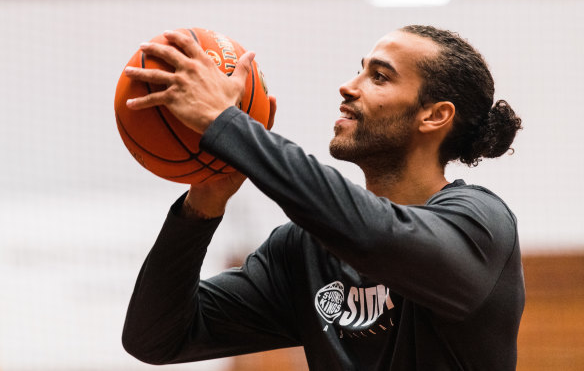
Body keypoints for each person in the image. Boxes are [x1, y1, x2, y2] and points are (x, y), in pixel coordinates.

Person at [121, 25, 524, 370]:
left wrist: (229, 127)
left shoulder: (482, 224)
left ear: (434, 116)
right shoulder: (303, 249)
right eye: (360, 70)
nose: (348, 86)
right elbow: (156, 337)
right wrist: (203, 205)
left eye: (380, 77)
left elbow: (375, 236)